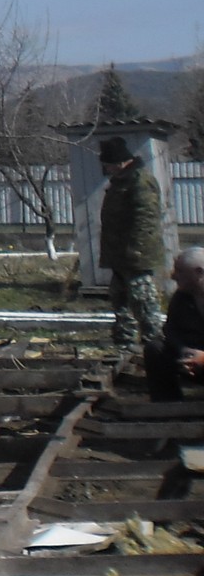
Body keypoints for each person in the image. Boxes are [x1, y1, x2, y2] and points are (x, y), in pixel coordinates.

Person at [98, 136, 165, 351]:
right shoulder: (120, 182)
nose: (106, 169)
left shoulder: (140, 181)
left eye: (107, 164)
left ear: (118, 162)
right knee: (120, 299)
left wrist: (136, 251)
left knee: (143, 300)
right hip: (118, 254)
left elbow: (146, 218)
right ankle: (124, 342)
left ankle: (154, 342)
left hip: (136, 255)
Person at [146, 247, 204, 403]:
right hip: (191, 360)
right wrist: (184, 351)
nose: (173, 276)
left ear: (199, 272)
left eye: (179, 271)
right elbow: (170, 330)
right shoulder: (181, 298)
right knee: (155, 348)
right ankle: (167, 404)